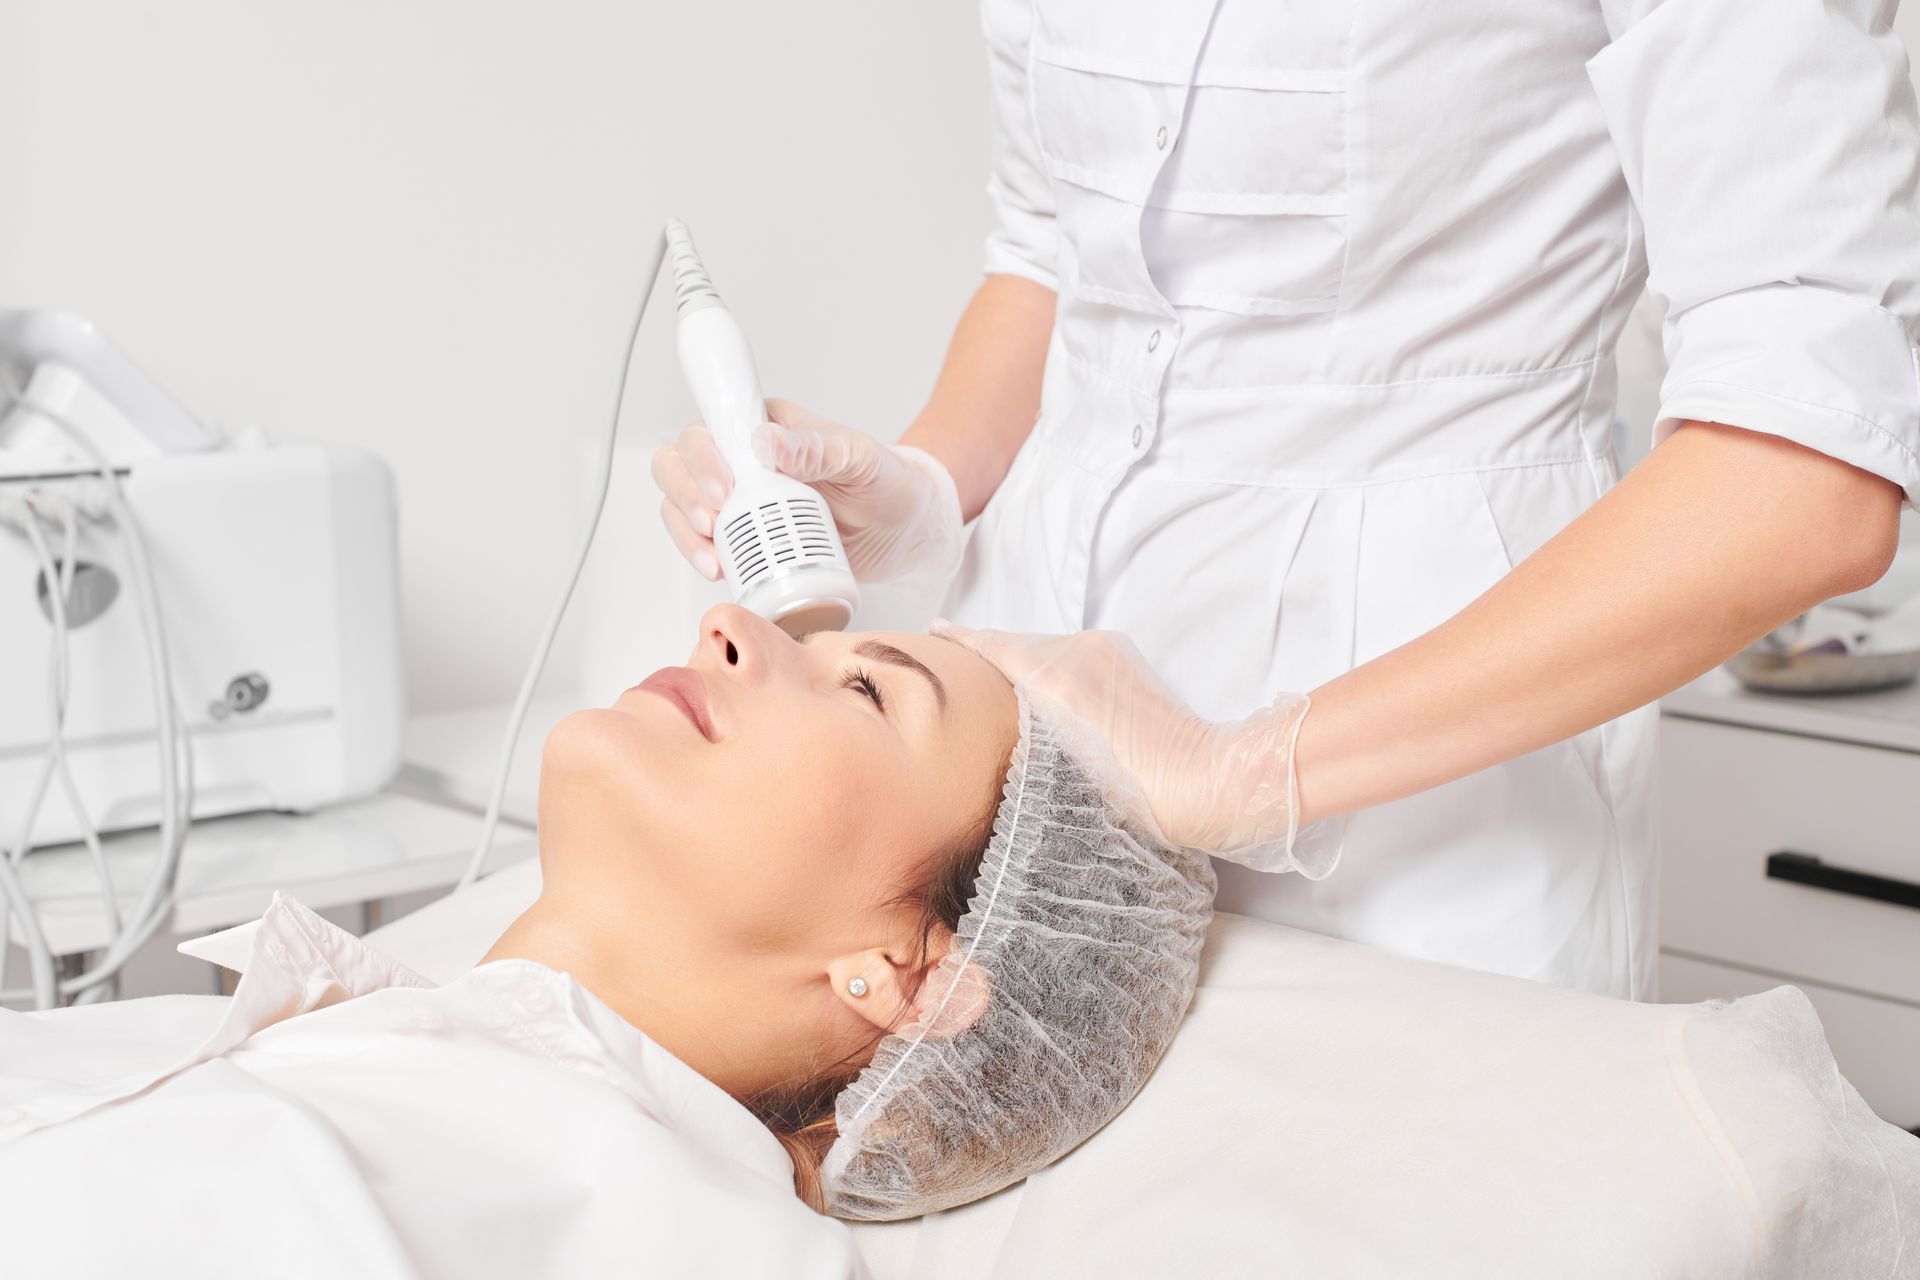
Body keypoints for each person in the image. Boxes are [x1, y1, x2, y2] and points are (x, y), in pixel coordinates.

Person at [652, 0, 1920, 998]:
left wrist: (1245, 769)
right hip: (1035, 752)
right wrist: (930, 488)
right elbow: (1051, 251)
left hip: (1424, 791)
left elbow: (1808, 463)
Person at [0, 606, 1212, 1274]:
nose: (729, 625)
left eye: (865, 690)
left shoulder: (679, 1237)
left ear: (915, 975)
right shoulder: (239, 1030)